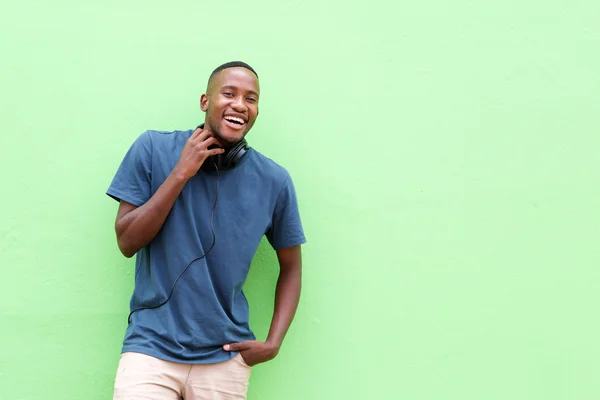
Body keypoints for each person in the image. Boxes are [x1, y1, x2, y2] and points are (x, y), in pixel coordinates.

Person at [106, 61, 306, 399]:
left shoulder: (274, 180)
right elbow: (127, 242)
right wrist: (181, 172)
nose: (240, 104)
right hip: (150, 350)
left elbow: (292, 267)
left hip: (225, 359)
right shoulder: (153, 149)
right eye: (229, 94)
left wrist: (273, 344)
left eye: (251, 98)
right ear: (205, 101)